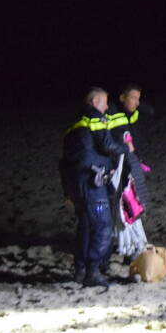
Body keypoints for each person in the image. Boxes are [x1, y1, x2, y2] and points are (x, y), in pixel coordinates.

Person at [60, 87, 133, 288]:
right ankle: (93, 269)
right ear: (94, 102)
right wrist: (126, 148)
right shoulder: (94, 117)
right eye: (104, 102)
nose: (107, 107)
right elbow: (107, 144)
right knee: (103, 225)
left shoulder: (72, 126)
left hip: (76, 184)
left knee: (85, 226)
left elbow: (63, 162)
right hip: (93, 184)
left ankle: (80, 270)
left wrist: (67, 190)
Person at [107, 84, 151, 259]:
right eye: (133, 98)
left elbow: (150, 112)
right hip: (117, 167)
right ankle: (128, 248)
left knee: (132, 205)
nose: (137, 103)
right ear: (122, 97)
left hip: (130, 164)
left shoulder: (131, 114)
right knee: (123, 208)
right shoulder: (112, 115)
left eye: (138, 99)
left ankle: (132, 247)